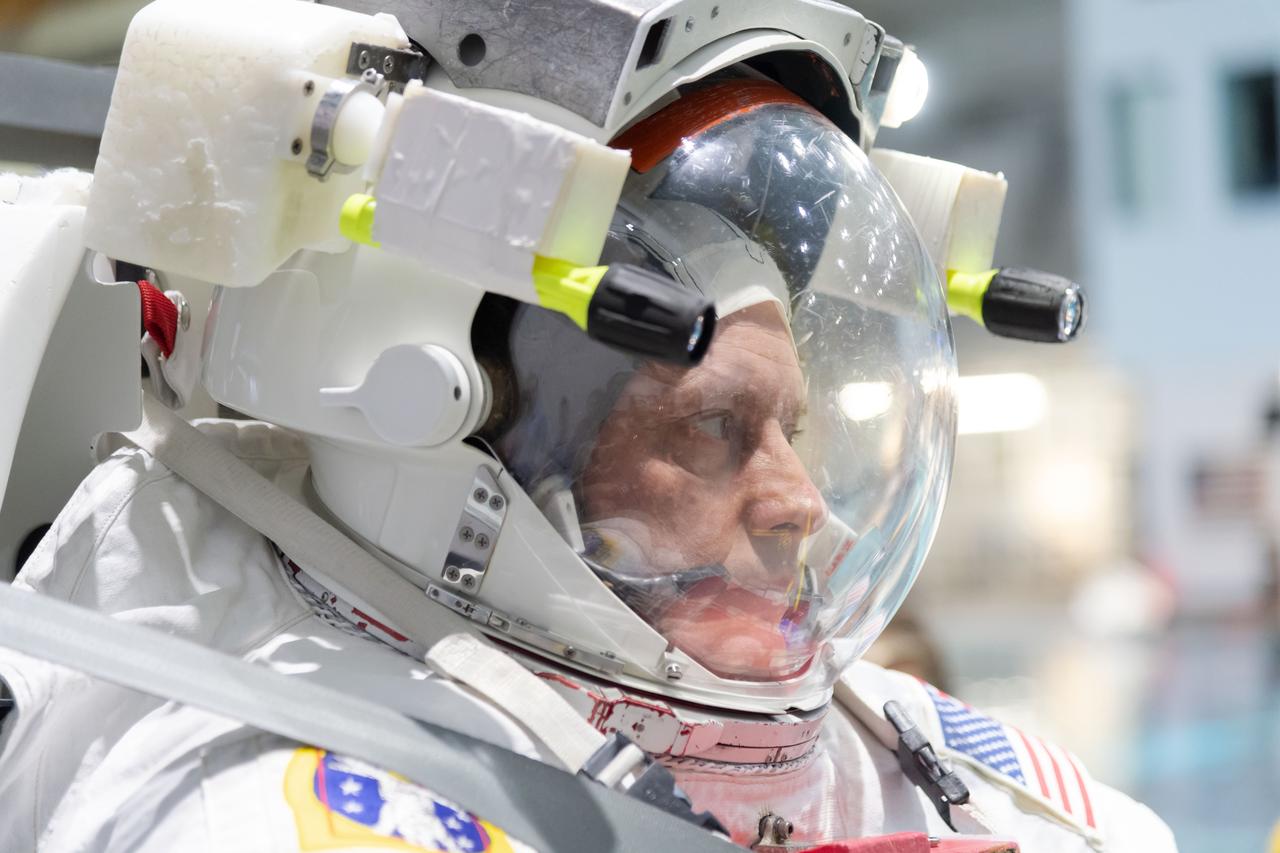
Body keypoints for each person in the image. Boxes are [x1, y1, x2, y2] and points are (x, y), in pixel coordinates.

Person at [0, 3, 1175, 850]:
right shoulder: (259, 803)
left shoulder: (936, 770)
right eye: (712, 428)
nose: (797, 500)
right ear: (450, 435)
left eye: (790, 426)